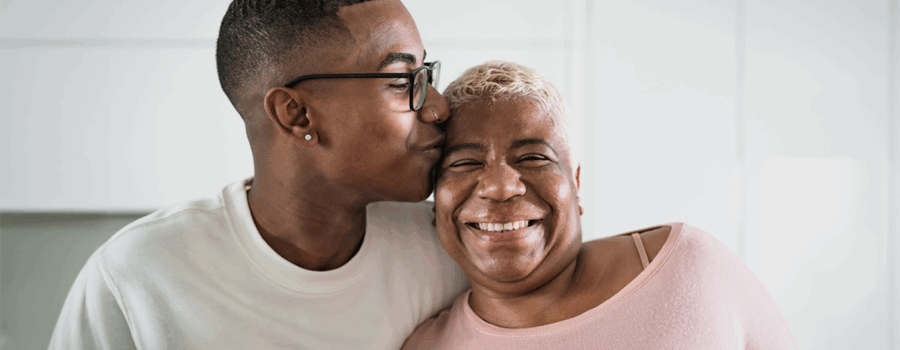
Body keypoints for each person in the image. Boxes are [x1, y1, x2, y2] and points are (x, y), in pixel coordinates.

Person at [48, 1, 468, 349]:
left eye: (426, 75)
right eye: (401, 81)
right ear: (296, 114)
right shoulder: (137, 275)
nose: (438, 107)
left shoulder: (451, 250)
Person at [402, 61, 796, 349]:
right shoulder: (426, 346)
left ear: (575, 184)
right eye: (464, 163)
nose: (501, 187)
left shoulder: (688, 267)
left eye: (533, 158)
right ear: (436, 203)